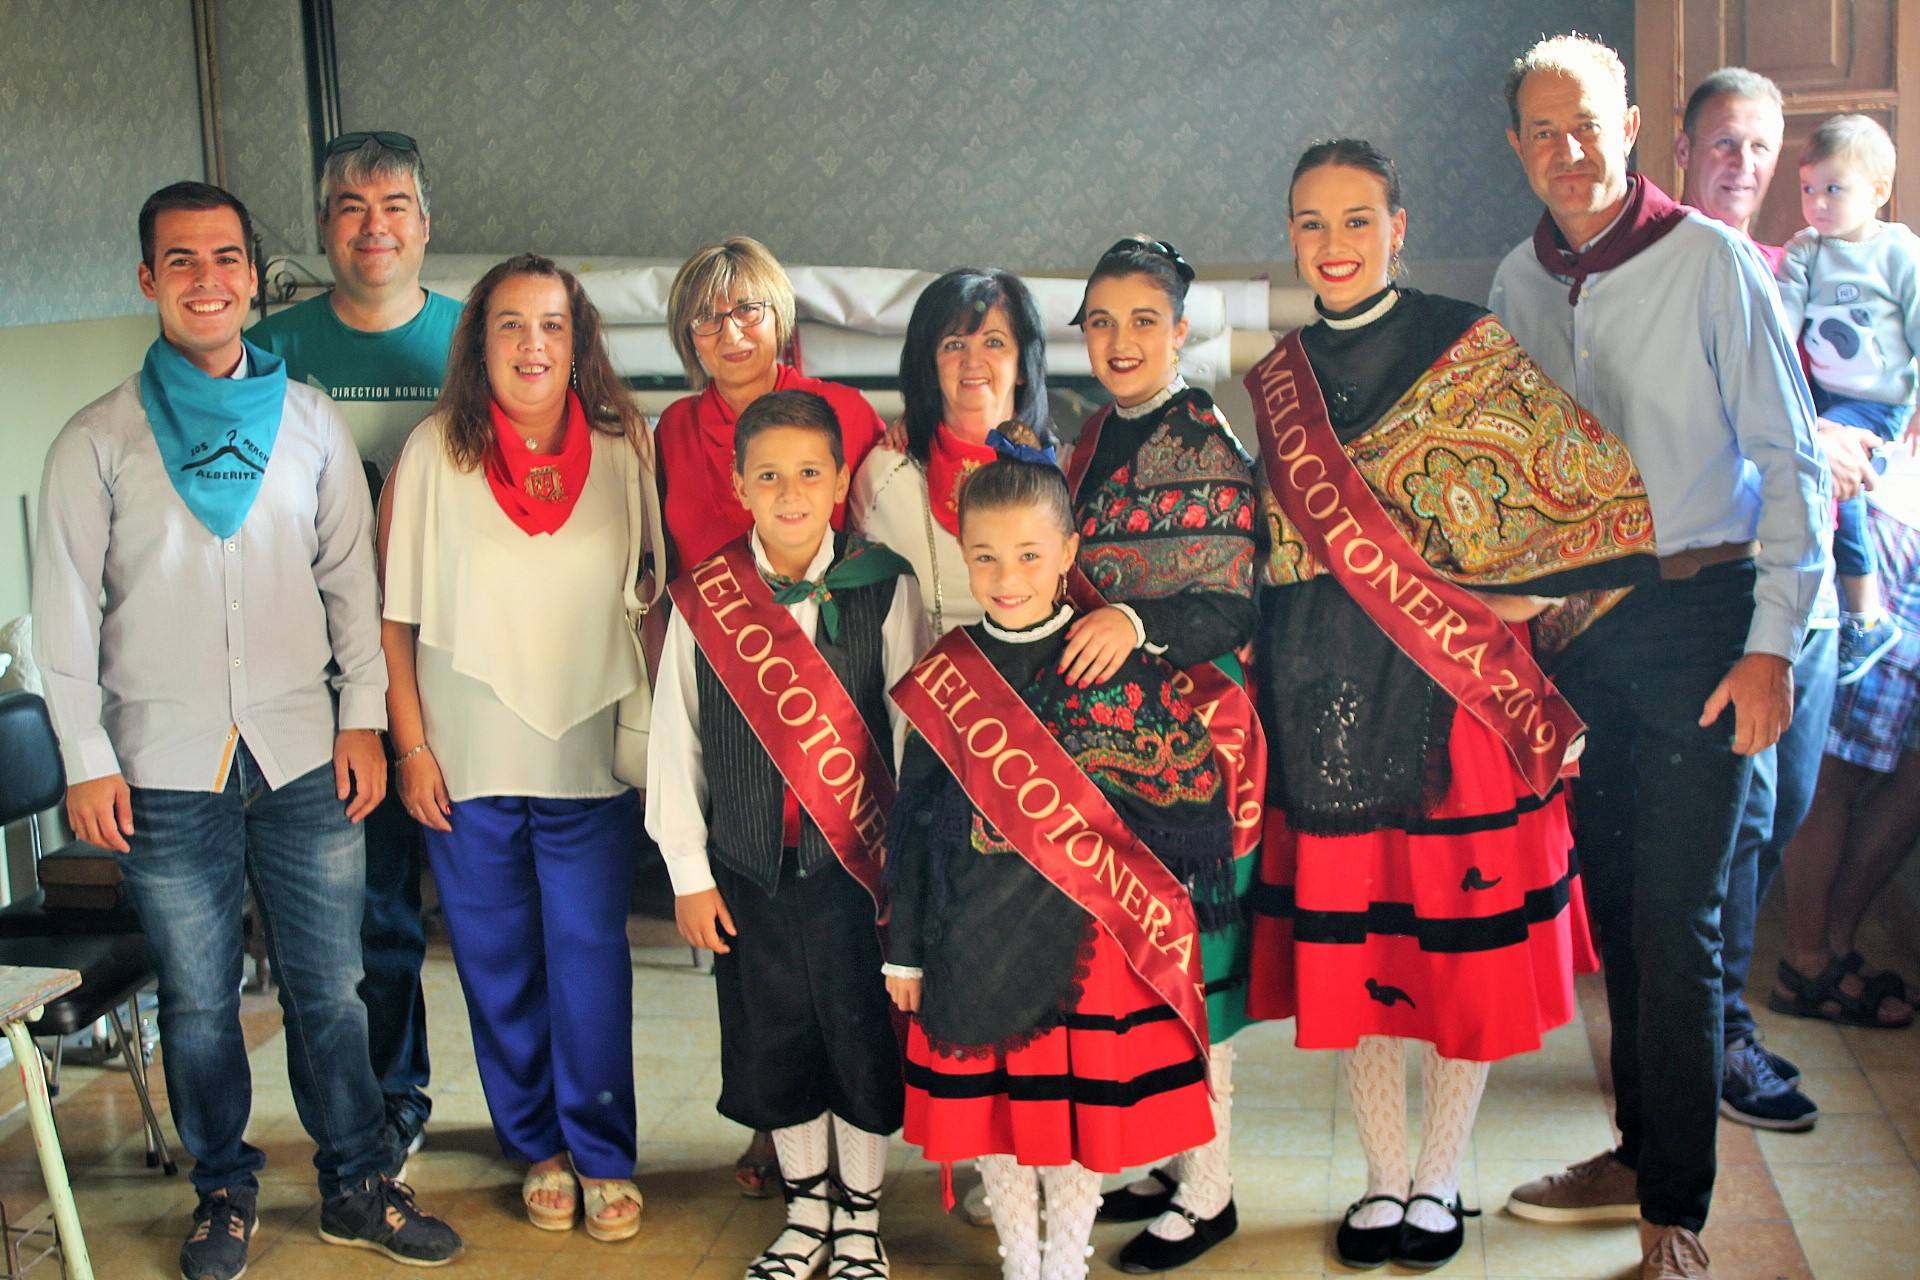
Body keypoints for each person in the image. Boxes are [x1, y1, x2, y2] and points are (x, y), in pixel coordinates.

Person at [31, 181, 462, 1280]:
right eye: (181, 261)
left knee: (331, 986)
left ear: (254, 276)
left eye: (226, 258)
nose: (208, 279)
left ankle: (358, 1178)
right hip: (163, 765)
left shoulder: (309, 421)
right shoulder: (98, 441)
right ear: (148, 281)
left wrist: (362, 723)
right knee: (200, 996)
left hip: (303, 752)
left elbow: (353, 595)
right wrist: (84, 758)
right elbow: (66, 615)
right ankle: (221, 1190)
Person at [1242, 139, 1657, 1273]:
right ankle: (1383, 1176)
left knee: (1455, 965)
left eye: (1358, 219)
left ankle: (1441, 1176)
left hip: (1456, 705)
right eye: (1313, 222)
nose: (1335, 244)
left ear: (1399, 226)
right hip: (1325, 700)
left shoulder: (1464, 345)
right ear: (1291, 233)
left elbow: (1595, 500)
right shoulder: (1276, 379)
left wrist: (1501, 598)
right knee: (1363, 959)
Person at [1489, 35, 1827, 1279]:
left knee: (1678, 921)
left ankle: (1673, 1217)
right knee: (1619, 919)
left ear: (1629, 128)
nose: (1568, 152)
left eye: (1587, 126)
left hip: (1704, 616)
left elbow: (1794, 470)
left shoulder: (1712, 261)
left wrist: (1771, 647)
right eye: (1541, 131)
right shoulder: (1519, 287)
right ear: (1515, 147)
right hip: (1583, 636)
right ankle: (1637, 1149)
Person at [888, 446, 1225, 1280]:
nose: (1008, 577)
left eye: (1031, 556)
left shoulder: (1108, 657)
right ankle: (1020, 1261)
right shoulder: (946, 674)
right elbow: (913, 820)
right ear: (963, 554)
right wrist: (904, 948)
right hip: (970, 931)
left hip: (1087, 938)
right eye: (987, 557)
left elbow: (1186, 802)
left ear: (1069, 554)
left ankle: (1065, 1262)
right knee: (996, 1123)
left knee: (1074, 1120)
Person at [378, 253, 649, 1241]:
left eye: (551, 325)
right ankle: (537, 1143)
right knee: (496, 960)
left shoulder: (625, 447)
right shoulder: (433, 452)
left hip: (588, 749)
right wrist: (409, 745)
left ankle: (606, 1152)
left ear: (577, 341)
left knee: (589, 956)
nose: (532, 345)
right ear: (478, 342)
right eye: (509, 325)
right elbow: (392, 620)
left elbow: (653, 599)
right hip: (464, 750)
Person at [647, 389, 927, 1280]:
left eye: (811, 472)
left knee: (858, 1041)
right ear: (739, 487)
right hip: (750, 871)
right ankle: (806, 1215)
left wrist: (909, 874)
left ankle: (860, 1221)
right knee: (779, 1044)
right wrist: (689, 873)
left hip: (857, 871)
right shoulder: (706, 600)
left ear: (842, 480)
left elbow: (910, 735)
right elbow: (675, 742)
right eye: (769, 476)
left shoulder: (885, 583)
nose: (792, 491)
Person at [251, 128, 459, 1164]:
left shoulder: (477, 341)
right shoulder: (274, 351)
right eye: (350, 206)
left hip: (465, 667)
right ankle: (391, 1103)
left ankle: (549, 1125)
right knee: (374, 914)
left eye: (394, 206)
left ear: (425, 222)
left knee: (508, 912)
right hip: (336, 680)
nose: (373, 226)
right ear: (325, 225)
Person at [1059, 237, 1260, 1272]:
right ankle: (1168, 1155)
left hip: (1198, 751)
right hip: (1112, 747)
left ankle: (1213, 1190)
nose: (1121, 339)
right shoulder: (1094, 434)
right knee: (1135, 966)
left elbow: (1232, 597)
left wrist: (1136, 625)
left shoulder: (1208, 437)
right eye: (1102, 321)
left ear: (1181, 330)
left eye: (1144, 320)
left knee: (1197, 971)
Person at [1674, 67, 1830, 1133]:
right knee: (1739, 817)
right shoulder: (1668, 268)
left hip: (1809, 578)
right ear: (1680, 151)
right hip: (1719, 590)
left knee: (1789, 803)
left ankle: (1711, 1016)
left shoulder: (1790, 268)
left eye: (1761, 149)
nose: (1742, 164)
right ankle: (1715, 1032)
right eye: (1724, 143)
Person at [1773, 464, 1920, 1031]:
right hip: (1897, 521)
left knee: (1911, 773)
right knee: (1839, 766)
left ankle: (1836, 942)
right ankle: (1807, 960)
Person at [1778, 114, 1920, 685]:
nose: (1817, 203)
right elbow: (1781, 318)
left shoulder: (1898, 252)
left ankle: (1866, 613)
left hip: (1878, 401)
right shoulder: (1806, 250)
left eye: (1834, 189)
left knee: (1840, 481)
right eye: (1809, 189)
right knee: (1788, 445)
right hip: (1824, 392)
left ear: (1878, 191)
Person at [655, 235, 888, 573]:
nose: (731, 335)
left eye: (748, 309)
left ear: (778, 314)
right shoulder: (674, 428)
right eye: (706, 317)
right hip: (700, 625)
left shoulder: (846, 410)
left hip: (831, 623)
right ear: (688, 337)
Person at [852, 267, 1051, 636]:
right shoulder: (884, 475)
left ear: (1022, 365)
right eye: (953, 345)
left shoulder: (1067, 470)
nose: (972, 361)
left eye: (994, 342)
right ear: (930, 364)